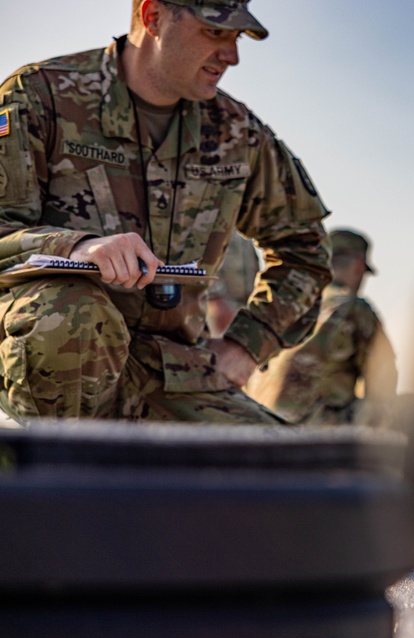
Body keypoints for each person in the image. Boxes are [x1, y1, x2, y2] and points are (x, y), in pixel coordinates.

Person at [0, 0, 331, 423]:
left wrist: (249, 344)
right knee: (73, 314)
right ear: (153, 15)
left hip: (175, 372)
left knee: (288, 480)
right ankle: (60, 473)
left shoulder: (237, 133)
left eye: (236, 37)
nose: (232, 56)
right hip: (56, 352)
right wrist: (75, 247)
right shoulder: (42, 95)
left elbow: (305, 250)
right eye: (215, 32)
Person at [245, 229, 398, 426]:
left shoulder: (287, 304)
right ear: (359, 267)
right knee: (408, 407)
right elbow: (384, 380)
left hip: (260, 424)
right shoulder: (352, 307)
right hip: (313, 429)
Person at [206, 232, 261, 337]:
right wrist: (215, 298)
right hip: (223, 303)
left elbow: (252, 260)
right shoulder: (219, 223)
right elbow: (208, 259)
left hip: (246, 302)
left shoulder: (244, 228)